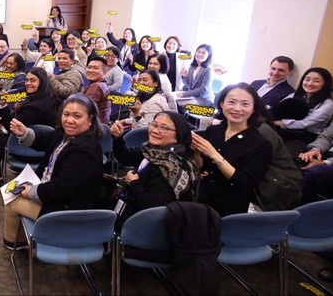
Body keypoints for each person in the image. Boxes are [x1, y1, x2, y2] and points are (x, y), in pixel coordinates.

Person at [3, 94, 104, 249]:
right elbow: (44, 140)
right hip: (53, 192)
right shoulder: (66, 134)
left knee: (12, 202)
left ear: (90, 119)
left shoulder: (86, 150)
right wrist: (24, 133)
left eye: (77, 116)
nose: (69, 120)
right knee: (11, 191)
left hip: (67, 208)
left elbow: (61, 189)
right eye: (66, 114)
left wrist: (31, 192)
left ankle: (16, 242)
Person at [191, 83, 273, 216]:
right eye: (231, 102)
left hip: (229, 205)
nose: (237, 108)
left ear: (253, 109)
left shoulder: (261, 145)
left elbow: (245, 184)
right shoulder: (214, 130)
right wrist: (196, 153)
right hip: (202, 196)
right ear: (222, 104)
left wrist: (214, 154)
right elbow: (203, 168)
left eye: (245, 104)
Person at [108, 112, 199, 228]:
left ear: (178, 135)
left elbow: (155, 209)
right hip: (136, 210)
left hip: (148, 226)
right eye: (154, 125)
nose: (155, 131)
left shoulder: (169, 167)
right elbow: (126, 158)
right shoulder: (154, 151)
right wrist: (118, 138)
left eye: (164, 128)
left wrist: (134, 183)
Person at [0, 68, 58, 182]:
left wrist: (3, 106)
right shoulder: (49, 96)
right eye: (27, 80)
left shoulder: (34, 107)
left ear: (42, 82)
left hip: (28, 147)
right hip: (45, 147)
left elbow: (13, 127)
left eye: (32, 80)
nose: (28, 83)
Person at [272, 67, 333, 144]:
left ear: (325, 84)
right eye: (307, 79)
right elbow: (277, 109)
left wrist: (272, 122)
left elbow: (305, 123)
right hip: (285, 130)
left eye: (316, 81)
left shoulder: (328, 104)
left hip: (307, 136)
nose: (310, 83)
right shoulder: (295, 95)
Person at [298, 115, 333, 204]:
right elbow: (326, 136)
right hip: (328, 151)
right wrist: (316, 149)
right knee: (300, 156)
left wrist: (325, 163)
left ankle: (299, 207)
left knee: (314, 172)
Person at [175, 44, 214, 108]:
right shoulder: (192, 67)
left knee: (177, 104)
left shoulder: (208, 70)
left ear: (208, 56)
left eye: (203, 53)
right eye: (198, 51)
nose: (200, 54)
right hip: (193, 96)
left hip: (203, 99)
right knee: (172, 100)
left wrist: (184, 94)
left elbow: (203, 89)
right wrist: (184, 77)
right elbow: (188, 85)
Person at [83, 57, 110, 124]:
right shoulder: (101, 84)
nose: (91, 70)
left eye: (95, 68)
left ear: (104, 72)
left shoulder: (96, 87)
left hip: (93, 126)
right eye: (89, 67)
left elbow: (85, 110)